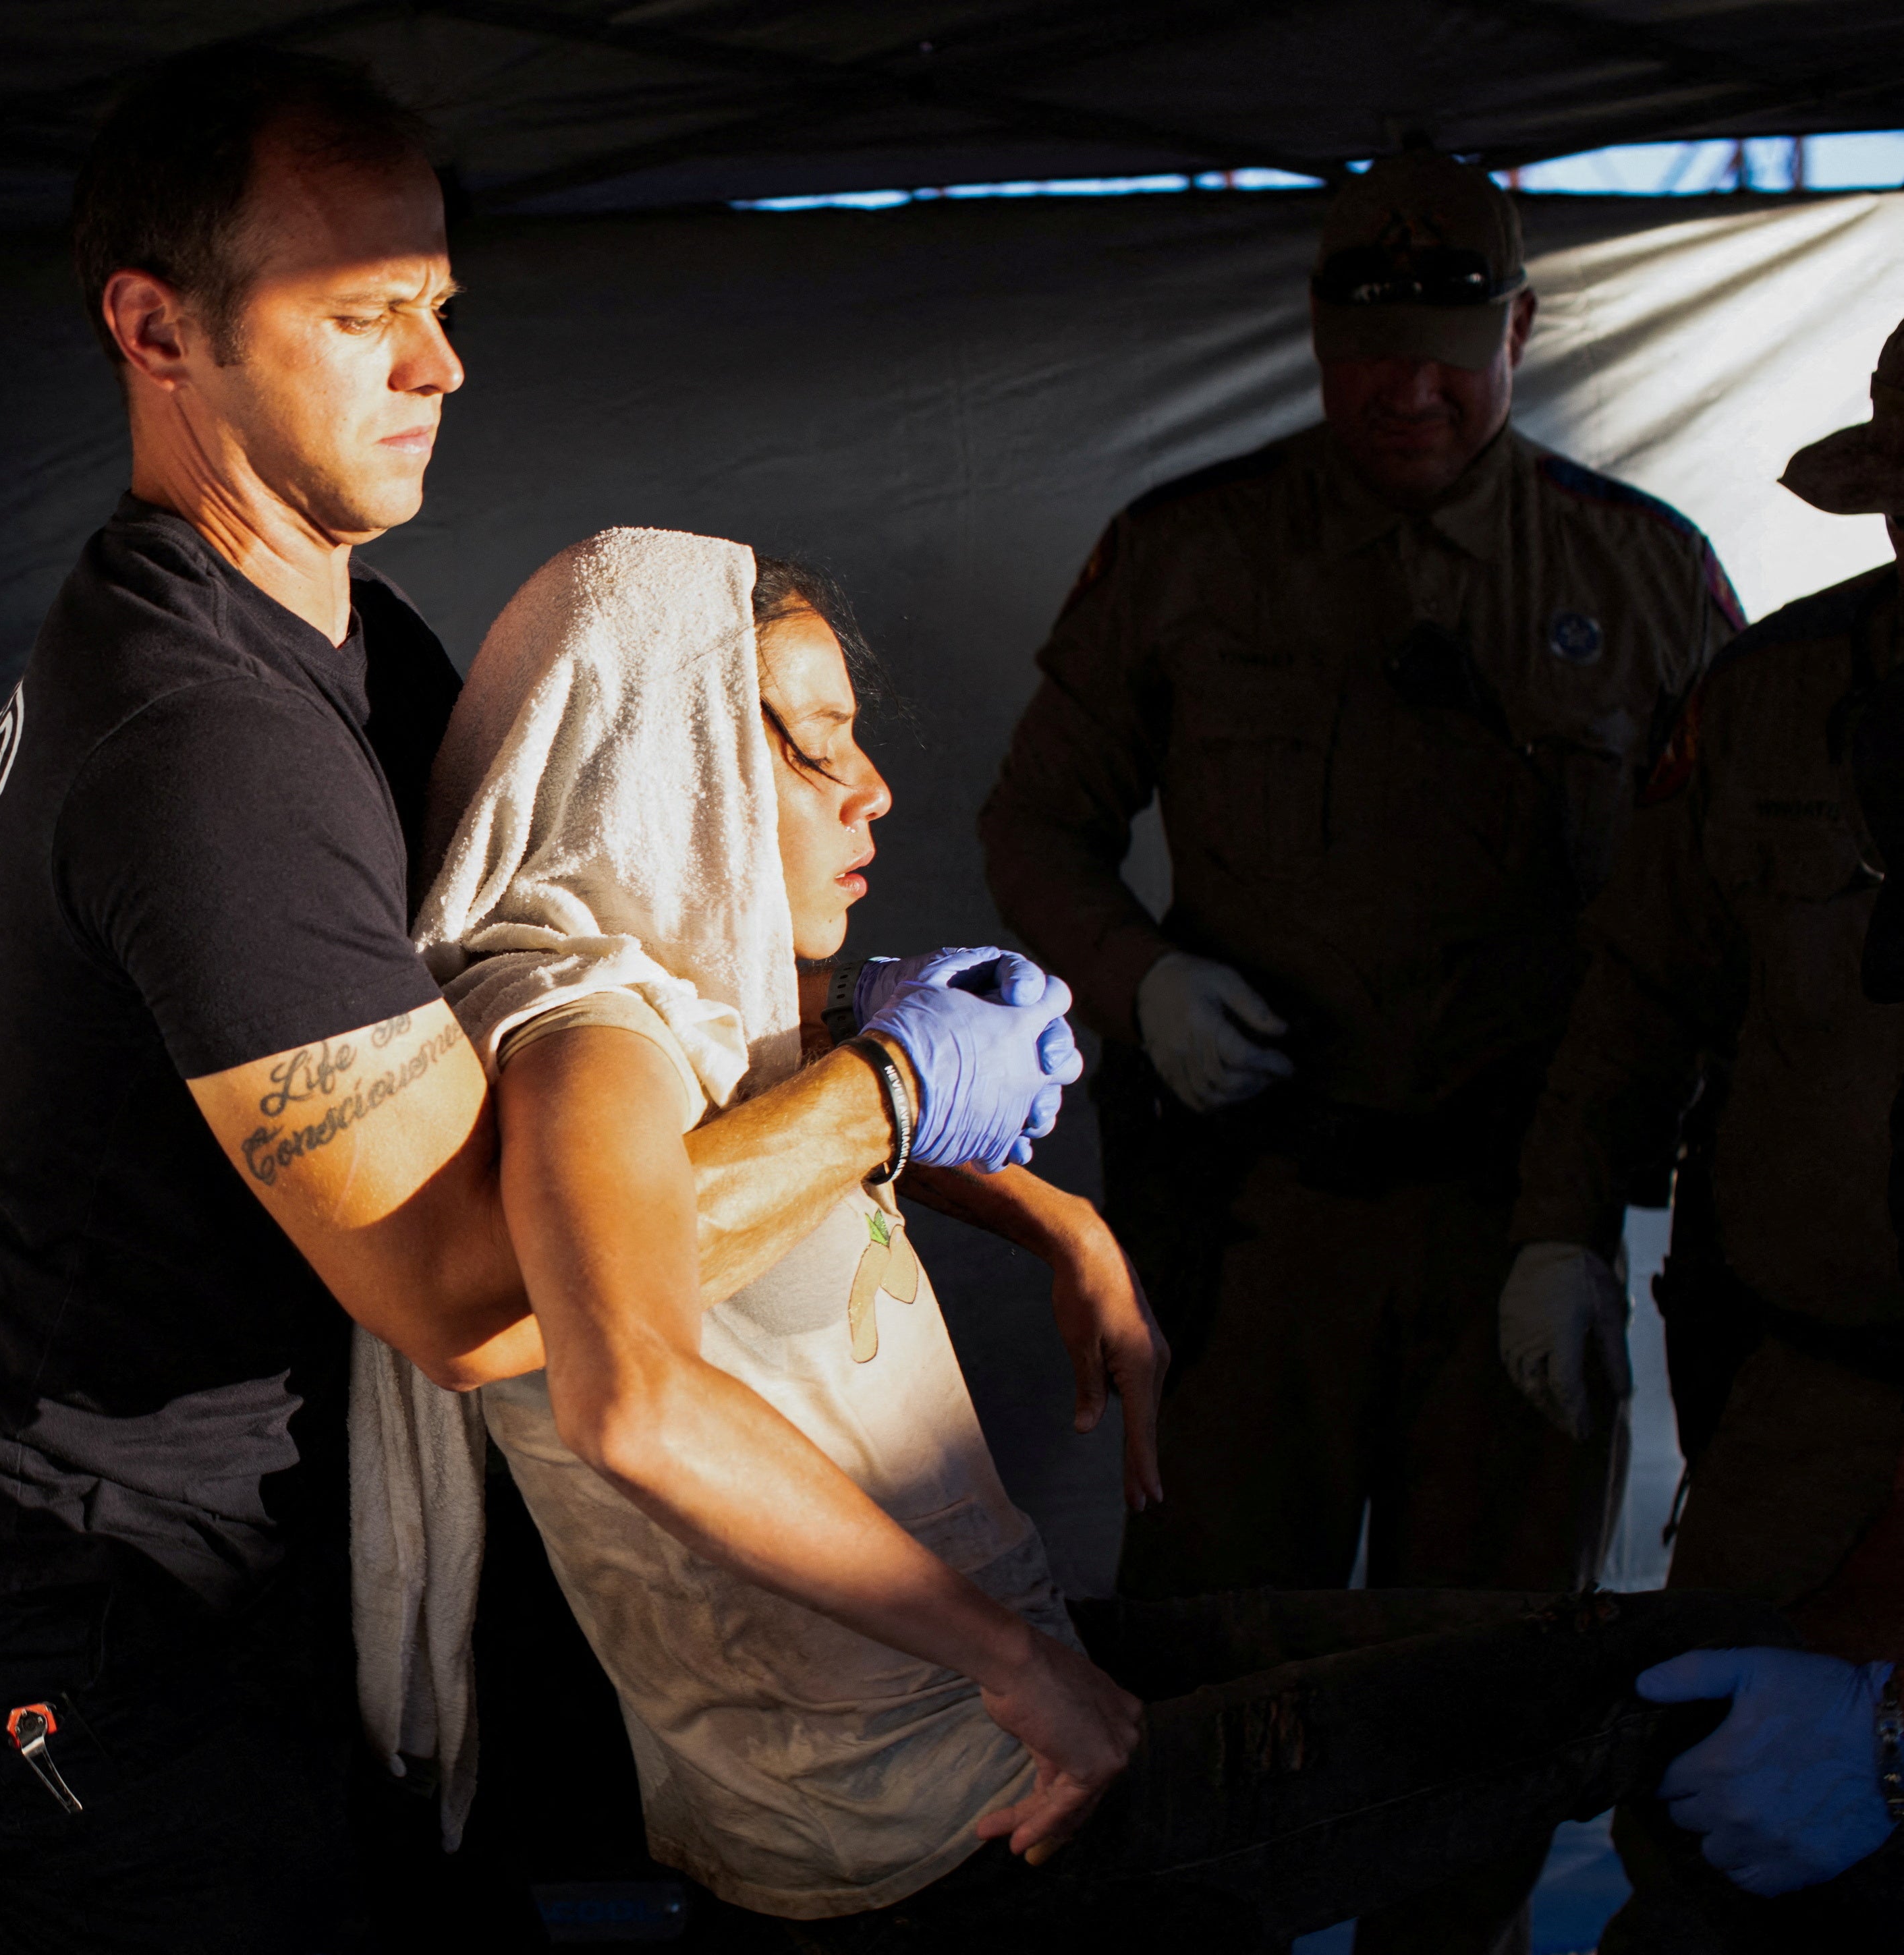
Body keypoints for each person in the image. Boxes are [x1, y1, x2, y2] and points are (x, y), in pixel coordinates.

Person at [0, 52, 1076, 1955]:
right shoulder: (196, 738)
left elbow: (551, 970)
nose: (440, 366)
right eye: (365, 314)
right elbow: (487, 1302)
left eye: (444, 310)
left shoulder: (345, 641)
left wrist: (894, 1097)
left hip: (251, 1576)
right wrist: (880, 1100)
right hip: (69, 1614)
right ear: (158, 329)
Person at [427, 524, 1779, 1952]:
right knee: (1664, 1677)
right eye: (818, 746)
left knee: (1601, 1663)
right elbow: (631, 1394)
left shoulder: (694, 1012)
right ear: (665, 769)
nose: (873, 789)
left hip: (964, 1731)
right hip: (939, 1820)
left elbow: (720, 1169)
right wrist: (1013, 1661)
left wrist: (1052, 1214)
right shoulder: (585, 1039)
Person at [976, 142, 1743, 1955]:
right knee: (1207, 1658)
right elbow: (1039, 826)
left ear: (1525, 332)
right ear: (1317, 337)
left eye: (1452, 349)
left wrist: (1594, 1221)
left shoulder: (1638, 576)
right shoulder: (1190, 554)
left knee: (1490, 1671)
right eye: (1369, 347)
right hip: (1264, 1237)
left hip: (1516, 1222)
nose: (1410, 391)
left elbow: (1699, 926)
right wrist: (1137, 973)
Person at [1521, 322, 1904, 1947]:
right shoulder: (1772, 701)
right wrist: (1561, 1229)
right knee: (1705, 1841)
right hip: (1805, 1412)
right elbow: (1636, 994)